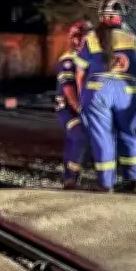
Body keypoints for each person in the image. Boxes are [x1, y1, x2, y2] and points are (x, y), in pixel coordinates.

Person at [74, 0, 136, 193]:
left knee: (103, 137)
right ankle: (134, 179)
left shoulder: (91, 38)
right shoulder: (134, 39)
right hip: (128, 90)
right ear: (121, 18)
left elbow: (80, 71)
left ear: (102, 17)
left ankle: (105, 183)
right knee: (128, 134)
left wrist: (81, 98)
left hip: (98, 89)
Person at [55, 21, 90, 189]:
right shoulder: (69, 59)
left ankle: (69, 176)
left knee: (73, 140)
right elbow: (68, 89)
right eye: (80, 37)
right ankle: (71, 178)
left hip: (81, 105)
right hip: (67, 108)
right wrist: (79, 109)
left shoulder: (88, 56)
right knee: (79, 135)